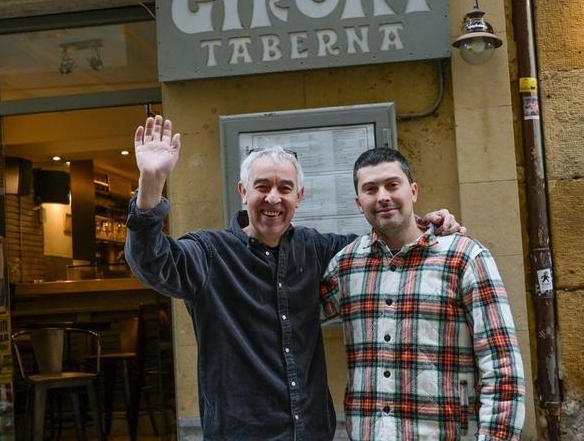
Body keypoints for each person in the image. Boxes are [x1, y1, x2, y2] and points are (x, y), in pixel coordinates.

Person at [124, 115, 463, 440]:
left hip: (313, 431)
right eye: (262, 187)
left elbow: (381, 245)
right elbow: (151, 262)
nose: (273, 198)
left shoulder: (316, 249)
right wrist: (151, 184)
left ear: (299, 197)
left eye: (285, 188)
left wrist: (427, 224)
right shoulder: (210, 253)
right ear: (243, 191)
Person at [320, 147, 525, 440]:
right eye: (370, 189)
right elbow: (293, 314)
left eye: (392, 185)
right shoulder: (346, 265)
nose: (382, 196)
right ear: (358, 202)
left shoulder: (465, 258)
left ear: (413, 191)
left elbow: (502, 367)